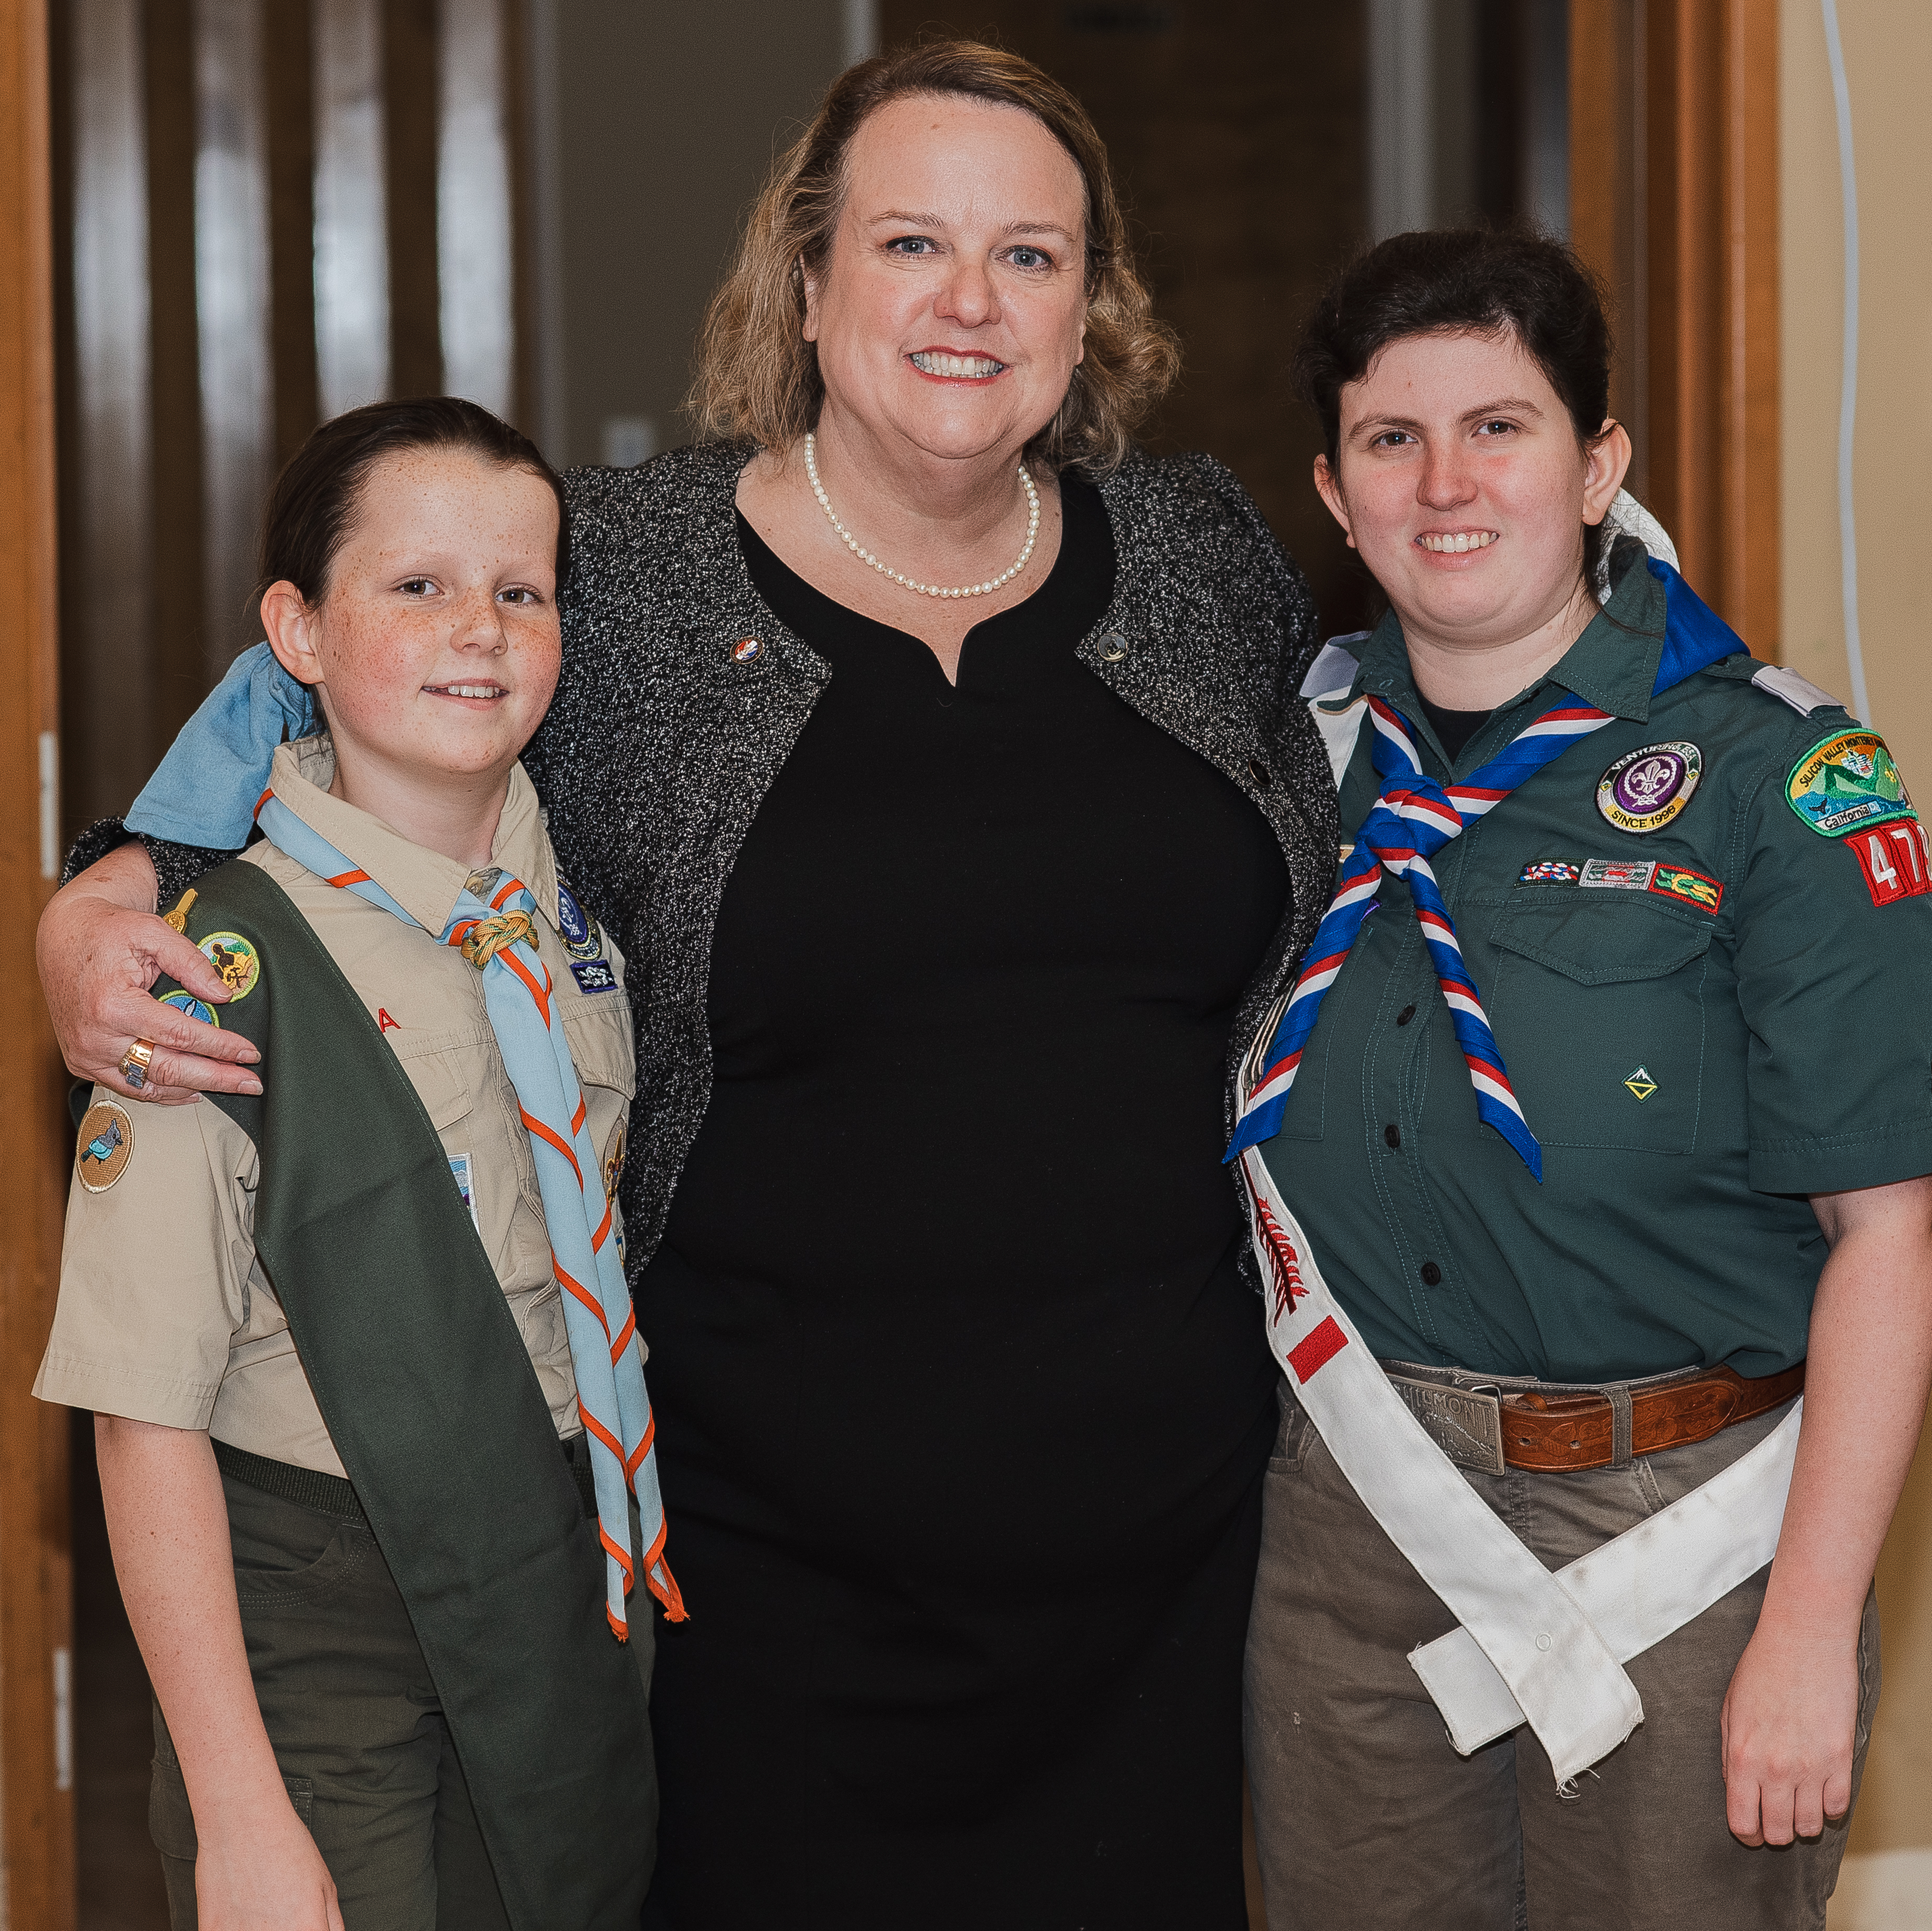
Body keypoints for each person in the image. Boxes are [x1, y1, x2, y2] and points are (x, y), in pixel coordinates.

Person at [36, 44, 1338, 1930]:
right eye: (910, 242)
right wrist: (104, 891)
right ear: (807, 285)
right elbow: (334, 689)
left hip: (1165, 1541)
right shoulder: (623, 570)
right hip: (755, 1557)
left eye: (1030, 255)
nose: (970, 302)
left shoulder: (1207, 556)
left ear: (1093, 305)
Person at [1236, 228, 1932, 1929]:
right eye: (1391, 441)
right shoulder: (1286, 767)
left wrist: (1805, 1634)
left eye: (1501, 425)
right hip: (1356, 1519)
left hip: (1683, 1533)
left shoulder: (1784, 773)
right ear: (1333, 490)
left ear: (1599, 463)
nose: (1444, 482)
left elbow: (1888, 1241)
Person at [37, 399, 673, 1930]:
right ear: (296, 635)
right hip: (315, 1603)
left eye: (521, 592)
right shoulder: (206, 972)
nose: (481, 630)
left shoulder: (577, 925)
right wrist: (241, 1810)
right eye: (417, 586)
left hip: (549, 1572)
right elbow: (143, 1419)